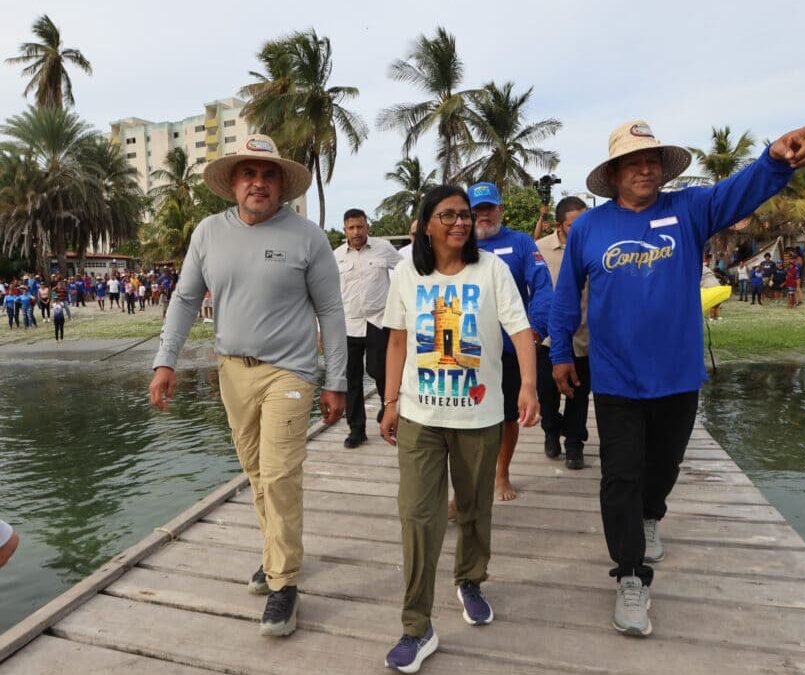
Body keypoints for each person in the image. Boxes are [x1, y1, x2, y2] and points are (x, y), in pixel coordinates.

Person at [550, 118, 805, 637]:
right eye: (635, 162)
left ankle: (652, 514)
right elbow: (567, 295)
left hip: (677, 373)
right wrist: (560, 351)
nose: (647, 168)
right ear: (614, 174)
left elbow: (737, 192)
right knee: (620, 476)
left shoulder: (689, 209)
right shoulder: (589, 227)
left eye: (653, 160)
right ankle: (631, 575)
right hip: (614, 377)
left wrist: (774, 159)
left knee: (663, 467)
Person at [148, 134, 348, 638]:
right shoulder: (208, 233)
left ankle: (284, 585)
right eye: (249, 174)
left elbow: (331, 310)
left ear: (281, 184)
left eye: (269, 174)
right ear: (234, 183)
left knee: (281, 474)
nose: (258, 183)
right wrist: (164, 361)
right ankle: (275, 555)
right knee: (258, 473)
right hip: (231, 371)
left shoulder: (309, 237)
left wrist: (338, 381)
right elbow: (185, 299)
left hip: (292, 372)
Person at [378, 185, 540, 673]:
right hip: (420, 418)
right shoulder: (407, 271)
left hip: (479, 416)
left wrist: (528, 384)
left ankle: (469, 580)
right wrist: (389, 403)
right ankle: (416, 626)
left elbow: (521, 330)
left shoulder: (492, 270)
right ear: (426, 224)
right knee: (418, 518)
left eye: (465, 215)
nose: (459, 223)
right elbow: (398, 342)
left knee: (473, 509)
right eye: (447, 215)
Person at [469, 181, 553, 501]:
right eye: (476, 210)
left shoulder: (520, 243)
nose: (482, 216)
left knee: (506, 416)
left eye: (488, 208)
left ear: (500, 209)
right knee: (468, 416)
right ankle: (470, 477)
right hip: (468, 351)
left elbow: (543, 288)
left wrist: (536, 328)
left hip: (509, 348)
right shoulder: (456, 248)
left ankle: (502, 473)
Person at [334, 208, 404, 449]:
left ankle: (388, 412)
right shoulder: (336, 257)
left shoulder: (383, 248)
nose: (356, 231)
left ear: (367, 227)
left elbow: (405, 272)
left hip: (379, 320)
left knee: (381, 372)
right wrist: (321, 328)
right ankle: (357, 429)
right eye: (351, 227)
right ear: (345, 230)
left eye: (360, 226)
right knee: (351, 379)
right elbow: (326, 294)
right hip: (348, 324)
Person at [536, 196, 591, 470]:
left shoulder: (595, 246)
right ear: (560, 226)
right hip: (547, 338)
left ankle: (574, 444)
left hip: (584, 336)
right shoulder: (540, 250)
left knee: (578, 395)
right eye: (574, 225)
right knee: (546, 393)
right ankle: (550, 428)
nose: (582, 229)